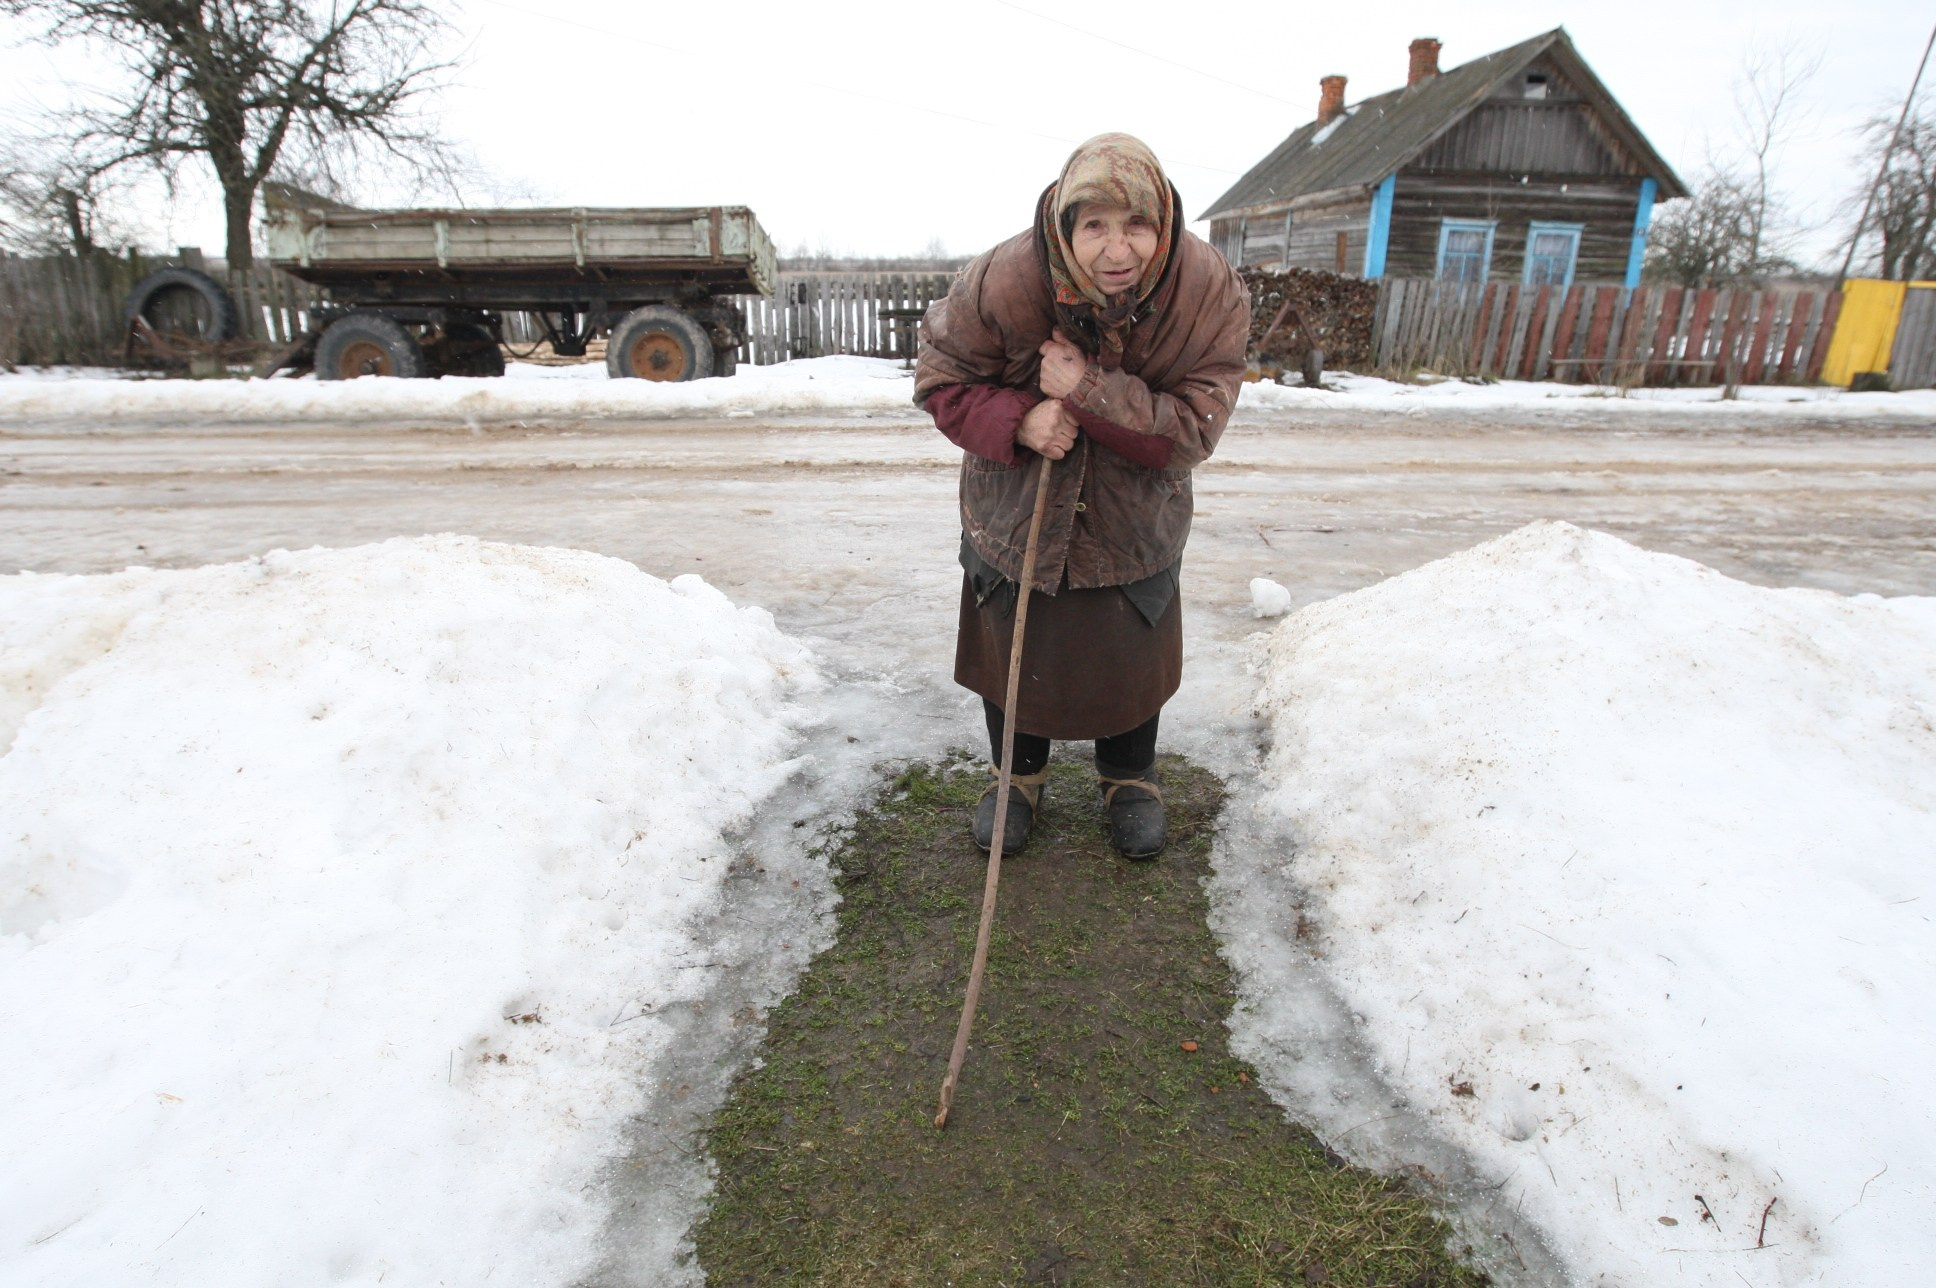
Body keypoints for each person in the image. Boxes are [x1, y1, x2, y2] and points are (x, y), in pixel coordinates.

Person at [914, 132, 1249, 860]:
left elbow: (1194, 429)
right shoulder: (1003, 279)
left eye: (1136, 224)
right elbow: (938, 381)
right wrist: (1021, 418)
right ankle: (1016, 777)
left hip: (1134, 517)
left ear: (1163, 223)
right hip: (1015, 506)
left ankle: (1129, 778)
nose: (1116, 248)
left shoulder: (1208, 290)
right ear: (1066, 226)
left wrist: (1087, 390)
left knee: (1128, 648)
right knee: (1014, 643)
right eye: (1094, 224)